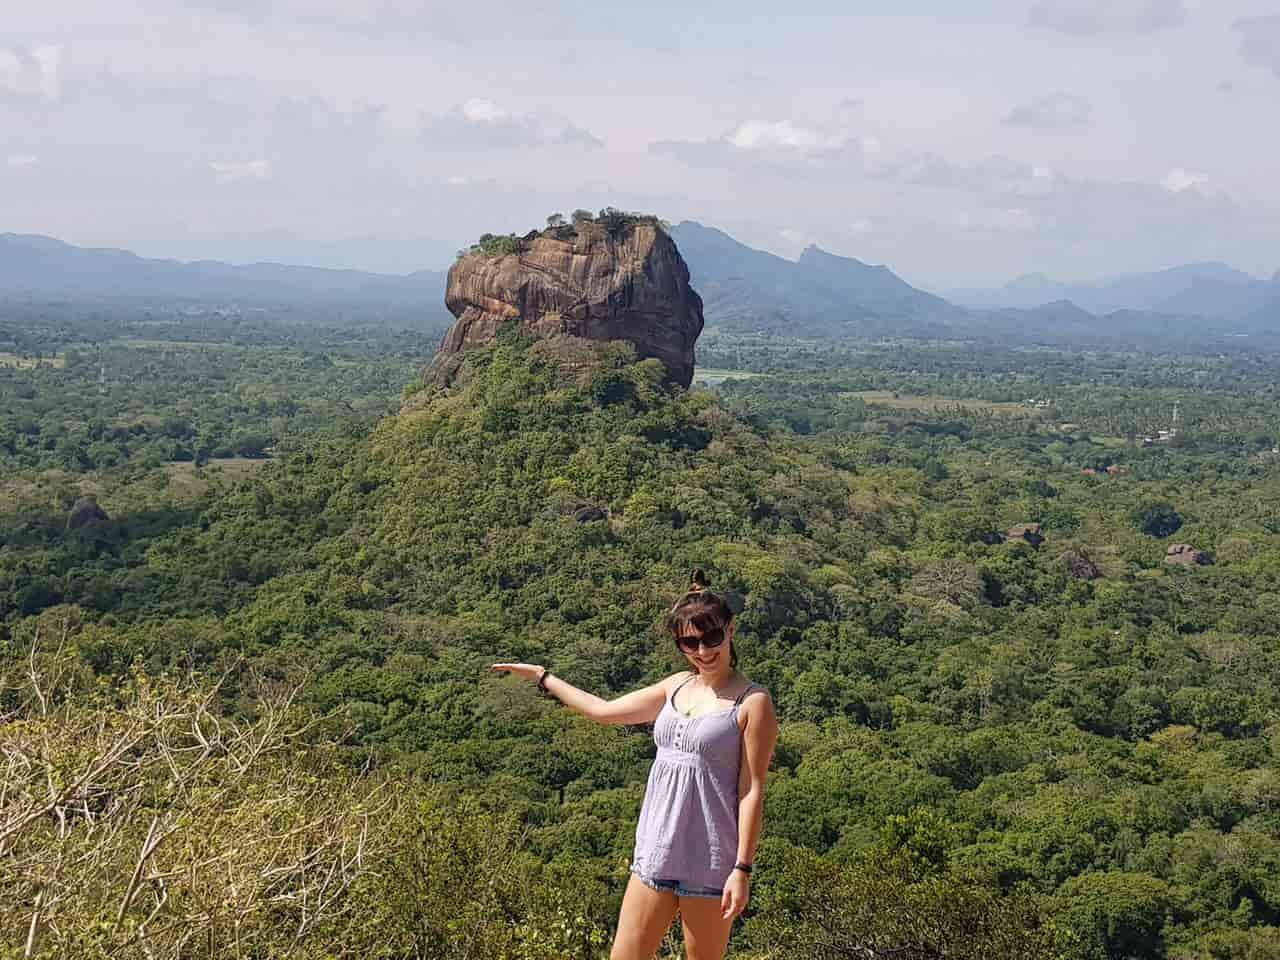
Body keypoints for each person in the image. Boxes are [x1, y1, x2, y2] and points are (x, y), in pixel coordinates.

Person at [491, 568, 778, 960]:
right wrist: (543, 677)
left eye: (712, 637)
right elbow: (604, 711)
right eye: (689, 642)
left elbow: (751, 790)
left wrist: (742, 869)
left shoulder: (752, 702)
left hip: (712, 861)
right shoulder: (674, 686)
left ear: (730, 631)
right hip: (657, 851)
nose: (703, 651)